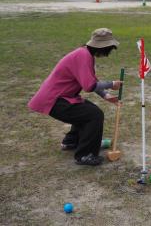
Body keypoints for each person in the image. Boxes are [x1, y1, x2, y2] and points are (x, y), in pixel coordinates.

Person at [28, 28, 122, 165]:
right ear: (103, 47)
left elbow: (91, 80)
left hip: (59, 98)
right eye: (109, 48)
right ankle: (85, 155)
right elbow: (89, 86)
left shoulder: (84, 54)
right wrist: (111, 84)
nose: (109, 52)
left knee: (86, 110)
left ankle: (71, 142)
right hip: (54, 100)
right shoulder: (83, 56)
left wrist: (106, 95)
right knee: (94, 115)